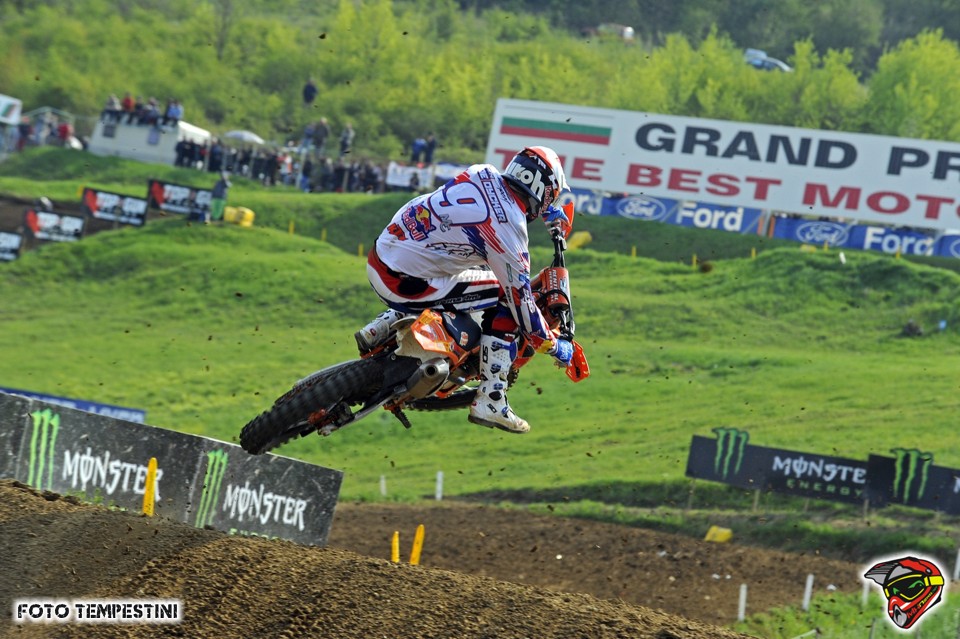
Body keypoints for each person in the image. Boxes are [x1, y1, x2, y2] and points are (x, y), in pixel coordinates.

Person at [355, 146, 574, 434]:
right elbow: (524, 310)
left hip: (382, 253)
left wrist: (545, 209)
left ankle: (381, 326)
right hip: (404, 284)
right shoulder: (510, 232)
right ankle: (492, 398)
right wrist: (555, 347)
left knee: (466, 260)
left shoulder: (481, 172)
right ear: (544, 192)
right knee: (509, 298)